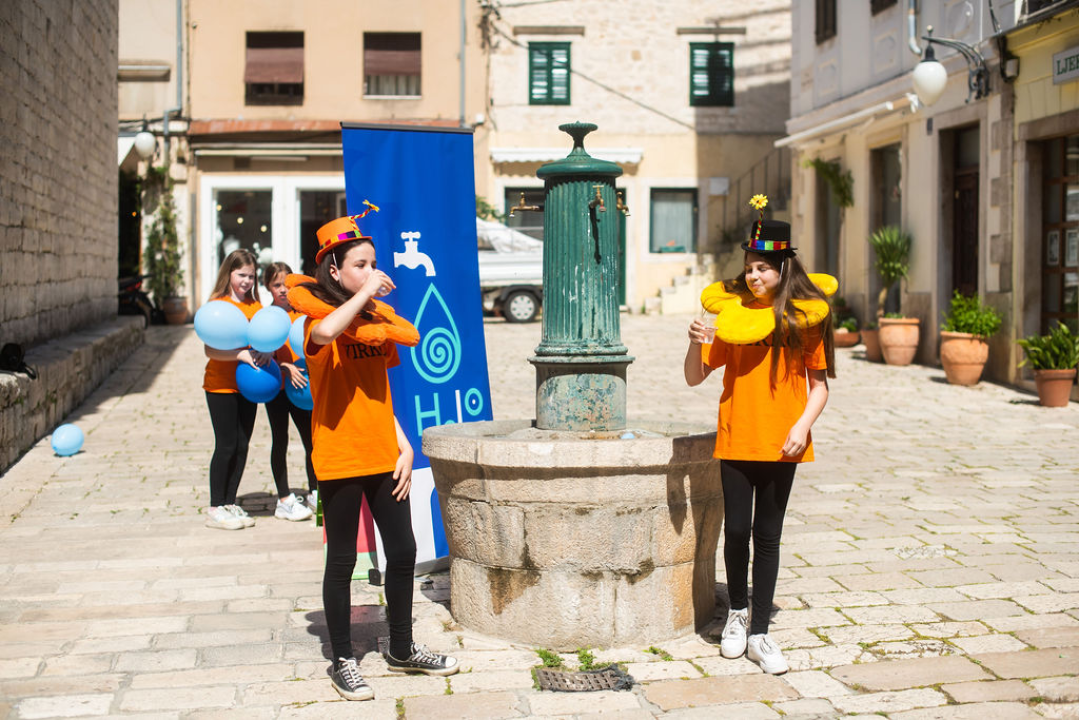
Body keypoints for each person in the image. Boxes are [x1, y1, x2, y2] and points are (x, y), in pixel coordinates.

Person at [287, 213, 459, 701]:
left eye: (374, 264)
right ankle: (342, 659)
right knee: (342, 560)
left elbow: (377, 391)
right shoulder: (315, 324)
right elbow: (323, 336)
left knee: (402, 551)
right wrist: (365, 295)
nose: (371, 271)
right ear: (335, 272)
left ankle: (401, 647)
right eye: (359, 265)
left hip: (384, 453)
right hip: (340, 457)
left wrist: (403, 443)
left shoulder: (373, 324)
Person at [684, 194, 835, 675]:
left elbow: (819, 387)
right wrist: (695, 344)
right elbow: (694, 377)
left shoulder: (804, 319)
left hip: (781, 442)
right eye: (749, 268)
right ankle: (736, 615)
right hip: (736, 437)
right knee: (736, 531)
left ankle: (761, 635)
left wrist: (801, 427)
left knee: (769, 536)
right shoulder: (733, 319)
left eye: (763, 268)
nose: (754, 276)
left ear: (783, 269)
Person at [202, 249, 267, 530]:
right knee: (226, 445)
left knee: (242, 446)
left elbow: (265, 339)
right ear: (229, 273)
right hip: (220, 386)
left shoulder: (256, 308)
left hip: (249, 386)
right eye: (242, 275)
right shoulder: (218, 305)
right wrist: (239, 355)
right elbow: (209, 348)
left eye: (251, 276)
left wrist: (267, 353)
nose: (247, 281)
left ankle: (230, 502)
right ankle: (216, 506)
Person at [262, 262, 315, 522]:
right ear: (267, 287)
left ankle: (316, 490)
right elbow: (261, 355)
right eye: (276, 285)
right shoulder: (265, 318)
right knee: (280, 440)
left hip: (302, 388)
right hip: (278, 389)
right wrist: (285, 367)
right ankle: (283, 498)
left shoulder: (302, 314)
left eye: (286, 284)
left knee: (311, 441)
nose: (282, 290)